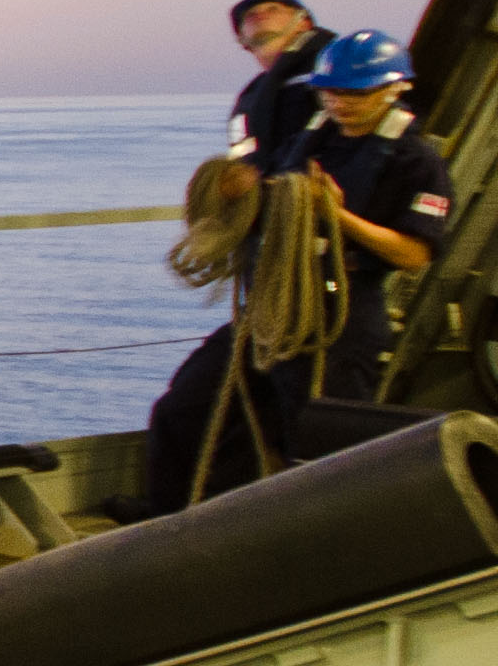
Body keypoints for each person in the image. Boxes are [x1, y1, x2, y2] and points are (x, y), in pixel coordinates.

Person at [150, 28, 454, 503]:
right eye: (330, 91)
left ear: (396, 89)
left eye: (356, 93)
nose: (340, 103)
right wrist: (241, 195)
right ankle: (176, 521)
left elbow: (414, 255)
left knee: (320, 447)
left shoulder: (417, 162)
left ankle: (316, 542)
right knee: (186, 408)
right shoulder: (308, 141)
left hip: (339, 321)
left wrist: (338, 216)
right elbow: (274, 207)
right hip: (271, 313)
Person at [145, 0, 362, 510]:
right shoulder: (252, 99)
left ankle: (314, 530)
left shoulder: (341, 80)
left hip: (326, 295)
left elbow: (354, 168)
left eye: (273, 7)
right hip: (266, 295)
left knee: (311, 429)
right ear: (241, 43)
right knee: (189, 407)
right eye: (247, 17)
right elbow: (244, 170)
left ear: (306, 21)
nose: (257, 11)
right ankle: (178, 514)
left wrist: (290, 195)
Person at [219, 0, 324, 164]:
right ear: (241, 38)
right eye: (250, 15)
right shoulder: (250, 96)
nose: (260, 16)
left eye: (273, 9)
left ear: (303, 23)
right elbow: (242, 157)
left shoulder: (331, 68)